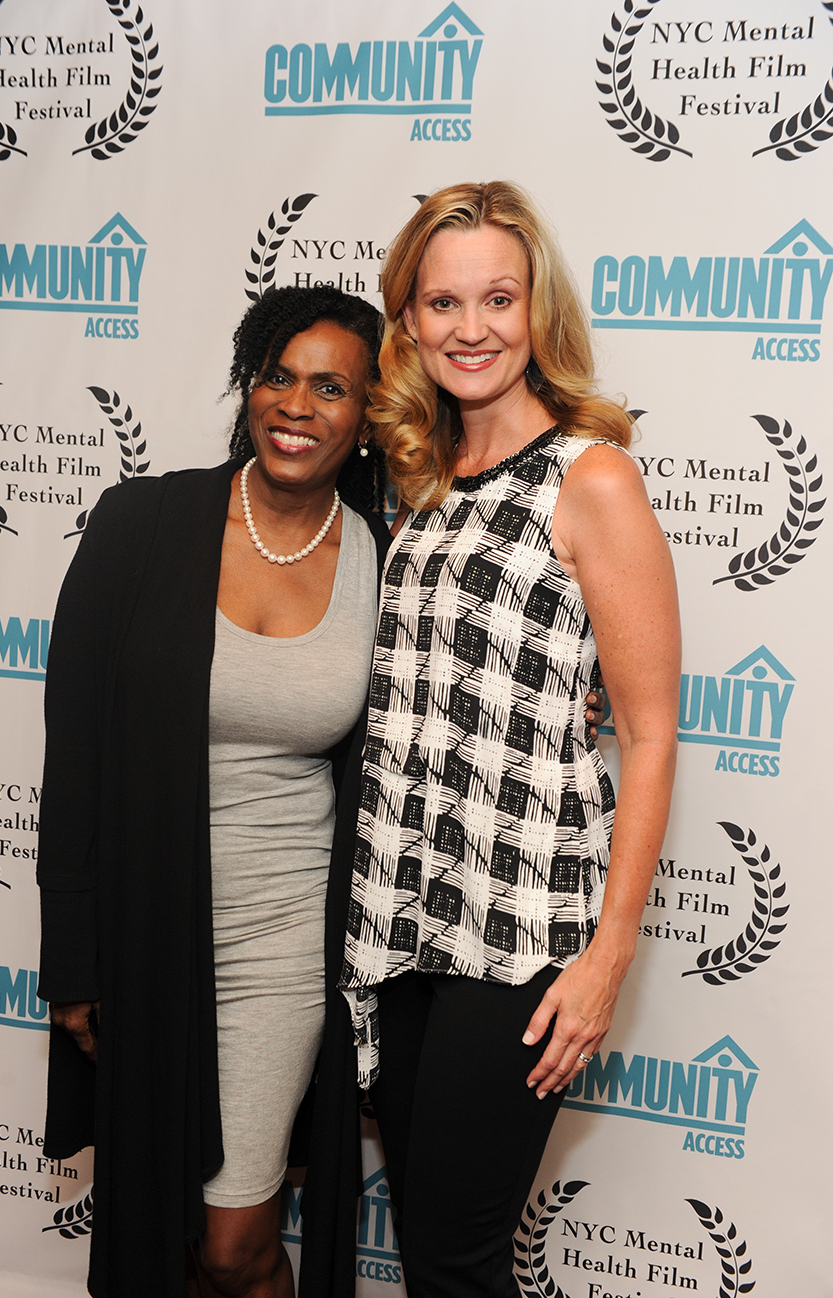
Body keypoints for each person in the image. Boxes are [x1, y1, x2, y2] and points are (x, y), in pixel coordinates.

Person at [334, 181, 681, 1298]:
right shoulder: (418, 481)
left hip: (524, 924)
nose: (470, 327)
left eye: (498, 297)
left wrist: (608, 954)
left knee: (458, 1255)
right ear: (409, 320)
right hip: (403, 911)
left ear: (539, 312)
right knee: (432, 1242)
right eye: (442, 302)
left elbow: (652, 726)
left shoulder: (592, 476)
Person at [36, 285, 392, 1298]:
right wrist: (75, 956)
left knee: (233, 1243)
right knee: (164, 1239)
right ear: (247, 387)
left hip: (284, 943)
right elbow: (75, 751)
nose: (297, 403)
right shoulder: (140, 523)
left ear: (367, 416)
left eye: (332, 386)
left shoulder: (385, 560)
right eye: (278, 374)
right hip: (150, 933)